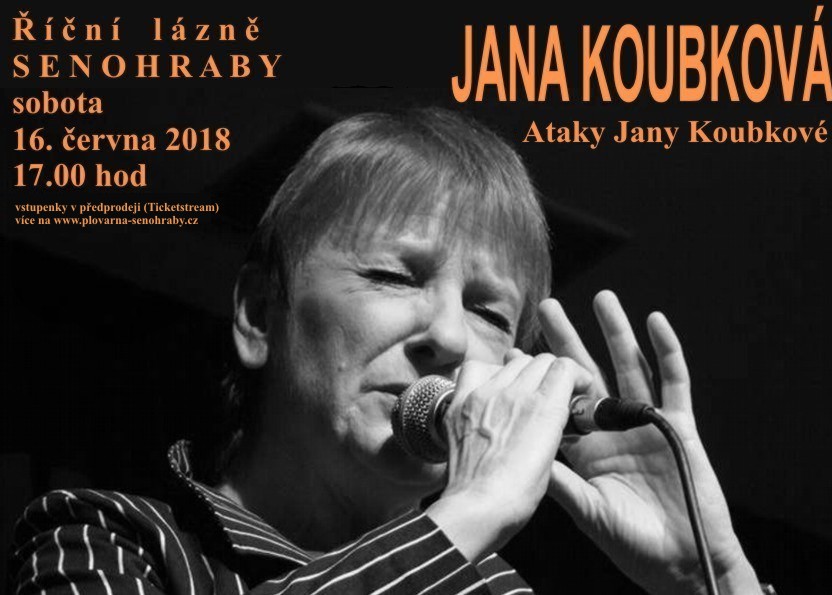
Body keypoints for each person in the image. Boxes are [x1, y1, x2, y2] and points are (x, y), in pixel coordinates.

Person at [8, 108, 768, 594]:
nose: (450, 337)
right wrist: (469, 515)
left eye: (488, 311)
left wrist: (714, 575)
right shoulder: (102, 537)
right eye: (395, 277)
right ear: (260, 315)